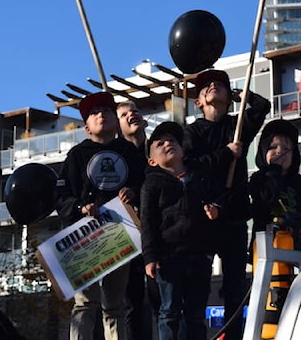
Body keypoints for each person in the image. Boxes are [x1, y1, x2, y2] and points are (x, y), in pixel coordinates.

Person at [182, 69, 270, 340]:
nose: (213, 87)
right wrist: (225, 154)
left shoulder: (238, 126)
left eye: (219, 84)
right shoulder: (191, 132)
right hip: (203, 220)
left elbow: (262, 106)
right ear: (197, 101)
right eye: (206, 86)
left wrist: (237, 94)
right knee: (197, 290)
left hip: (233, 218)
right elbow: (189, 168)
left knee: (235, 290)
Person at [56, 91, 147, 340]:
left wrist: (133, 192)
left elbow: (146, 185)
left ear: (115, 121)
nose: (101, 115)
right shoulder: (76, 155)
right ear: (87, 127)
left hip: (119, 231)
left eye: (106, 111)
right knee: (85, 303)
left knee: (114, 306)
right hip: (83, 236)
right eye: (94, 113)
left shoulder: (128, 152)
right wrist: (81, 208)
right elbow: (61, 197)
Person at [140, 121, 224, 340]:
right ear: (152, 160)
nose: (168, 144)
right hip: (168, 257)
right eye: (160, 143)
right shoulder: (151, 184)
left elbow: (219, 198)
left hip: (200, 255)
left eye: (173, 141)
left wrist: (215, 210)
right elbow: (147, 222)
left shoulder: (201, 176)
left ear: (183, 149)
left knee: (196, 313)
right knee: (169, 311)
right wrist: (150, 257)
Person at [116, 101, 154, 340]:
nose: (132, 115)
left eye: (135, 111)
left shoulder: (156, 148)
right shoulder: (115, 156)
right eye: (124, 114)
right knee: (131, 301)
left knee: (160, 298)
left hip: (156, 233)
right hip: (126, 235)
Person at [248, 119, 301, 238]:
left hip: (296, 241)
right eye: (273, 147)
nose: (279, 152)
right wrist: (274, 172)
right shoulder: (259, 178)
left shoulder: (300, 182)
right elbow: (262, 203)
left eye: (286, 149)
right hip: (266, 240)